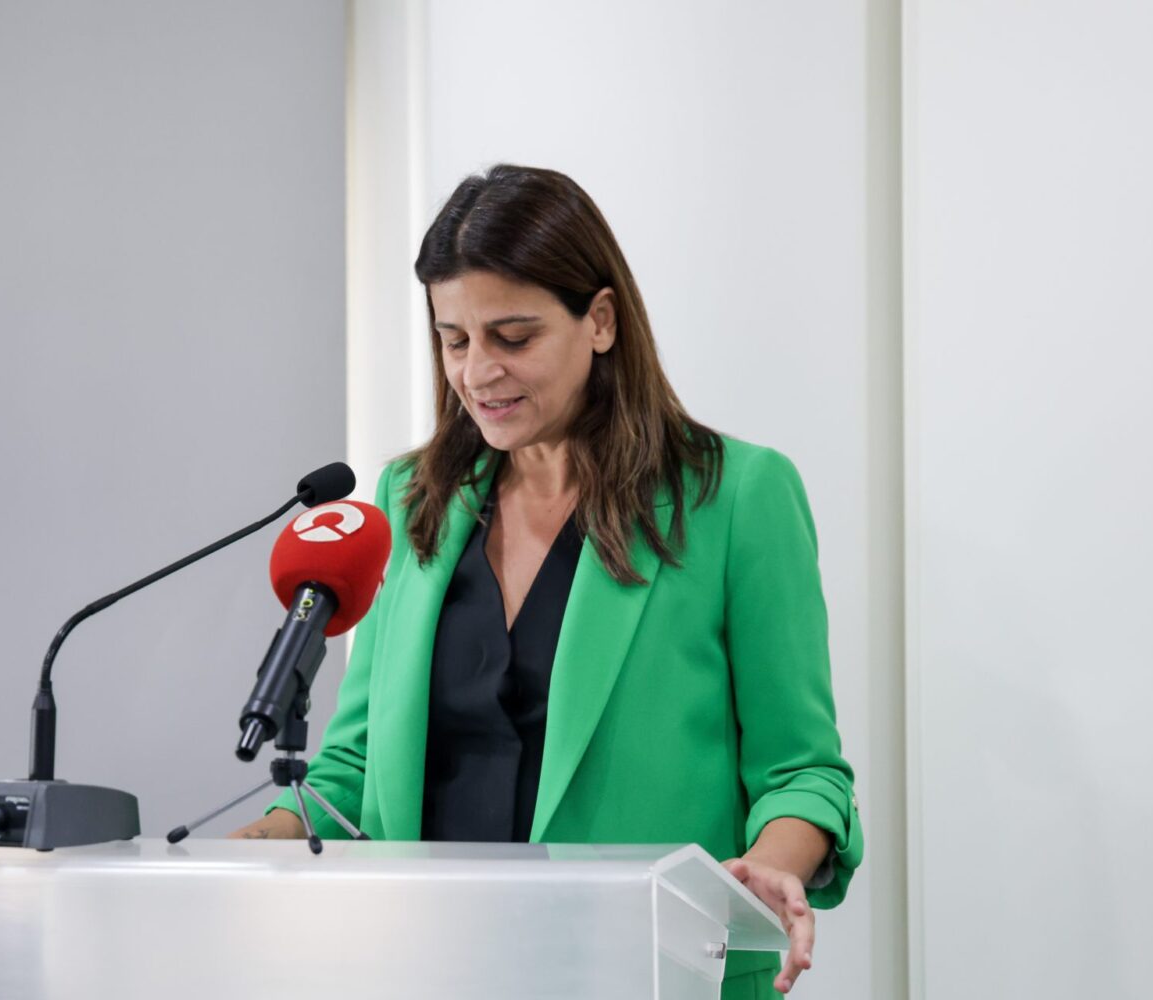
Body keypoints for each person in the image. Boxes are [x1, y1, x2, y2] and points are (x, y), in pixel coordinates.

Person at [230, 164, 862, 998]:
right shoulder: (411, 500)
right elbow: (355, 763)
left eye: (513, 337)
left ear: (600, 320)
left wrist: (773, 864)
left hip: (645, 972)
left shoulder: (736, 496)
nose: (476, 372)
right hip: (433, 970)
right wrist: (255, 844)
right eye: (455, 340)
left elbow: (801, 772)